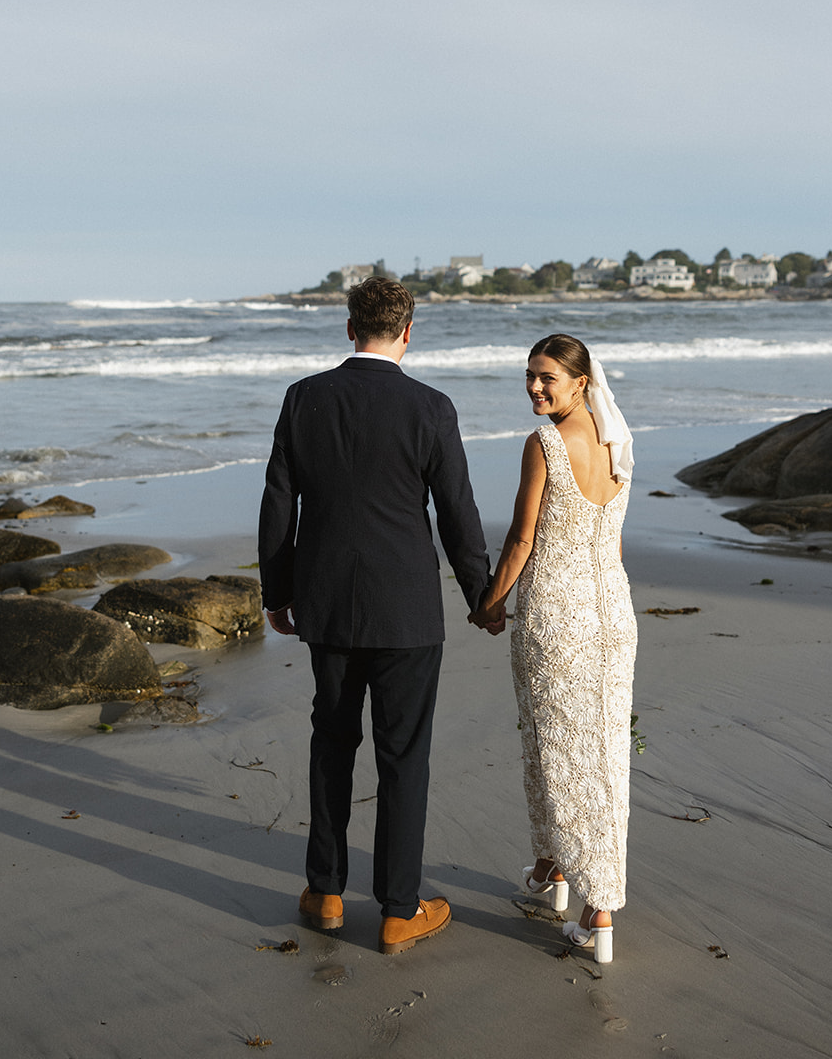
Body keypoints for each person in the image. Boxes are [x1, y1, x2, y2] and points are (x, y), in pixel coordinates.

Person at [259, 277, 493, 955]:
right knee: (403, 755)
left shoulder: (304, 398)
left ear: (348, 327)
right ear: (409, 332)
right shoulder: (431, 407)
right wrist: (480, 594)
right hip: (408, 608)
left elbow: (279, 503)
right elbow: (456, 510)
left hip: (325, 602)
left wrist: (277, 591)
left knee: (331, 743)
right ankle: (397, 909)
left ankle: (325, 891)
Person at [470, 333, 636, 964]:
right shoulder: (621, 441)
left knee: (560, 750)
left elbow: (520, 540)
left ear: (579, 382)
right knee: (596, 750)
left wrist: (488, 603)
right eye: (530, 377)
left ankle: (599, 911)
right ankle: (552, 875)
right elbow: (614, 542)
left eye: (547, 378)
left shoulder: (543, 445)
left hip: (557, 615)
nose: (535, 388)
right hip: (612, 613)